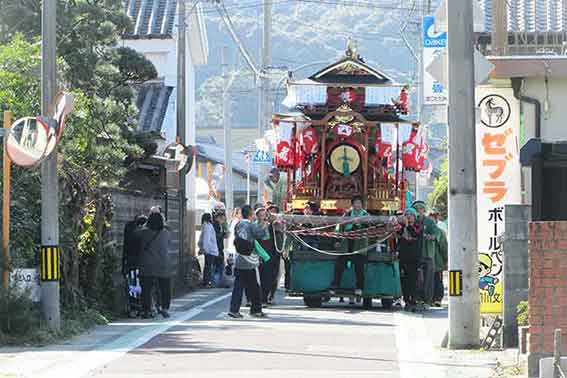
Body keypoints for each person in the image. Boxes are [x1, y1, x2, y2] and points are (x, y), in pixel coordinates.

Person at [228, 205, 269, 319]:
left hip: (239, 259)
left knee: (238, 286)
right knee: (255, 286)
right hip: (250, 261)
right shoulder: (250, 225)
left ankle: (234, 310)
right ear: (251, 214)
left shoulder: (238, 224)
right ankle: (256, 310)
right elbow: (261, 235)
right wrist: (264, 223)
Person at [330, 196, 369, 297]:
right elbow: (339, 228)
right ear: (352, 204)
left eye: (359, 203)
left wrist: (359, 224)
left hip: (359, 245)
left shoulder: (365, 215)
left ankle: (359, 288)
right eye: (356, 203)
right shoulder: (347, 214)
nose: (357, 205)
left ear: (362, 205)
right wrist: (337, 240)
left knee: (359, 268)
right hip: (346, 244)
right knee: (339, 265)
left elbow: (370, 228)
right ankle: (334, 286)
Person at [137, 212, 172, 318]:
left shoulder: (143, 233)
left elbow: (135, 234)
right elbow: (168, 243)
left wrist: (144, 225)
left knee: (146, 289)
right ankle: (165, 308)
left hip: (147, 264)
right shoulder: (166, 233)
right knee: (165, 288)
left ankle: (146, 310)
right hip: (163, 264)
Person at [412, 200, 444, 309]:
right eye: (416, 209)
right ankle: (418, 299)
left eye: (420, 209)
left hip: (428, 255)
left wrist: (432, 237)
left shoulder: (429, 221)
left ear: (424, 210)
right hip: (416, 254)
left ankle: (427, 300)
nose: (418, 211)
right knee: (417, 279)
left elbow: (437, 232)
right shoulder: (412, 221)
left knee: (428, 280)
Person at [397, 208, 422, 311]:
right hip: (403, 257)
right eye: (406, 214)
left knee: (413, 280)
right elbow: (398, 234)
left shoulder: (418, 227)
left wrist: (408, 225)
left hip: (414, 258)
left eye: (411, 214)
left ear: (414, 216)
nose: (408, 216)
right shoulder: (401, 227)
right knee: (404, 280)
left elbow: (415, 234)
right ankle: (406, 300)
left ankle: (413, 301)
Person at [258, 207, 280, 305]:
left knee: (269, 277)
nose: (264, 217)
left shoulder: (271, 226)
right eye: (262, 215)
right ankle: (255, 299)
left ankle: (265, 297)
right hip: (259, 255)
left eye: (265, 215)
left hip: (270, 255)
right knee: (258, 278)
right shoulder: (254, 226)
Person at [199, 213, 219, 287]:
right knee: (209, 266)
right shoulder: (209, 226)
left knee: (208, 267)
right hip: (211, 249)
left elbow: (205, 239)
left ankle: (207, 282)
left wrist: (204, 249)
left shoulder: (206, 226)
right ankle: (208, 282)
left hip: (209, 250)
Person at [212, 210, 228, 287]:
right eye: (223, 219)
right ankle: (216, 283)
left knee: (219, 266)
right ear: (218, 218)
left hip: (219, 248)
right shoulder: (215, 225)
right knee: (217, 266)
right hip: (217, 248)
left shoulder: (219, 225)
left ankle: (219, 282)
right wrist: (223, 234)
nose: (223, 221)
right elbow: (216, 236)